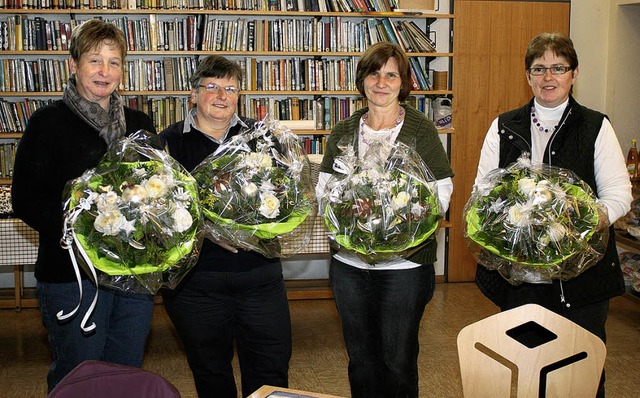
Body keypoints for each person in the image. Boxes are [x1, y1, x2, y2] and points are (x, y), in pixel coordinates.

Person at [473, 32, 632, 397]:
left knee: (580, 374)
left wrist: (575, 225)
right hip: (520, 279)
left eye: (558, 68)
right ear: (527, 76)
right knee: (527, 371)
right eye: (539, 68)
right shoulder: (504, 126)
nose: (548, 77)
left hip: (583, 281)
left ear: (574, 74)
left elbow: (619, 196)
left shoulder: (595, 126)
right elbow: (482, 196)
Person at [11, 19, 157, 393]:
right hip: (72, 277)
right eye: (95, 61)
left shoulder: (140, 124)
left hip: (132, 277)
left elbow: (159, 194)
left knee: (127, 375)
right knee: (80, 377)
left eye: (113, 62)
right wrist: (88, 231)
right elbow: (26, 199)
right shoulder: (47, 123)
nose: (104, 71)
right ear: (73, 65)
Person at [315, 42, 454, 398]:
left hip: (405, 267)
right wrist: (348, 219)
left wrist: (401, 226)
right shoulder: (343, 131)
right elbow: (324, 191)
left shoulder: (421, 130)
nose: (381, 82)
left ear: (403, 82)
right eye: (374, 73)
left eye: (391, 74)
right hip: (349, 264)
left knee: (398, 359)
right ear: (362, 80)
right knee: (360, 357)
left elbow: (441, 191)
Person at [159, 55, 292, 398]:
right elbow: (156, 215)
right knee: (210, 372)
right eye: (212, 86)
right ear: (193, 94)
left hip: (259, 278)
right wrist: (205, 229)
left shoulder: (262, 138)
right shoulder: (168, 143)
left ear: (239, 95)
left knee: (270, 371)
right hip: (196, 284)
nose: (221, 95)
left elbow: (286, 195)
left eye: (230, 88)